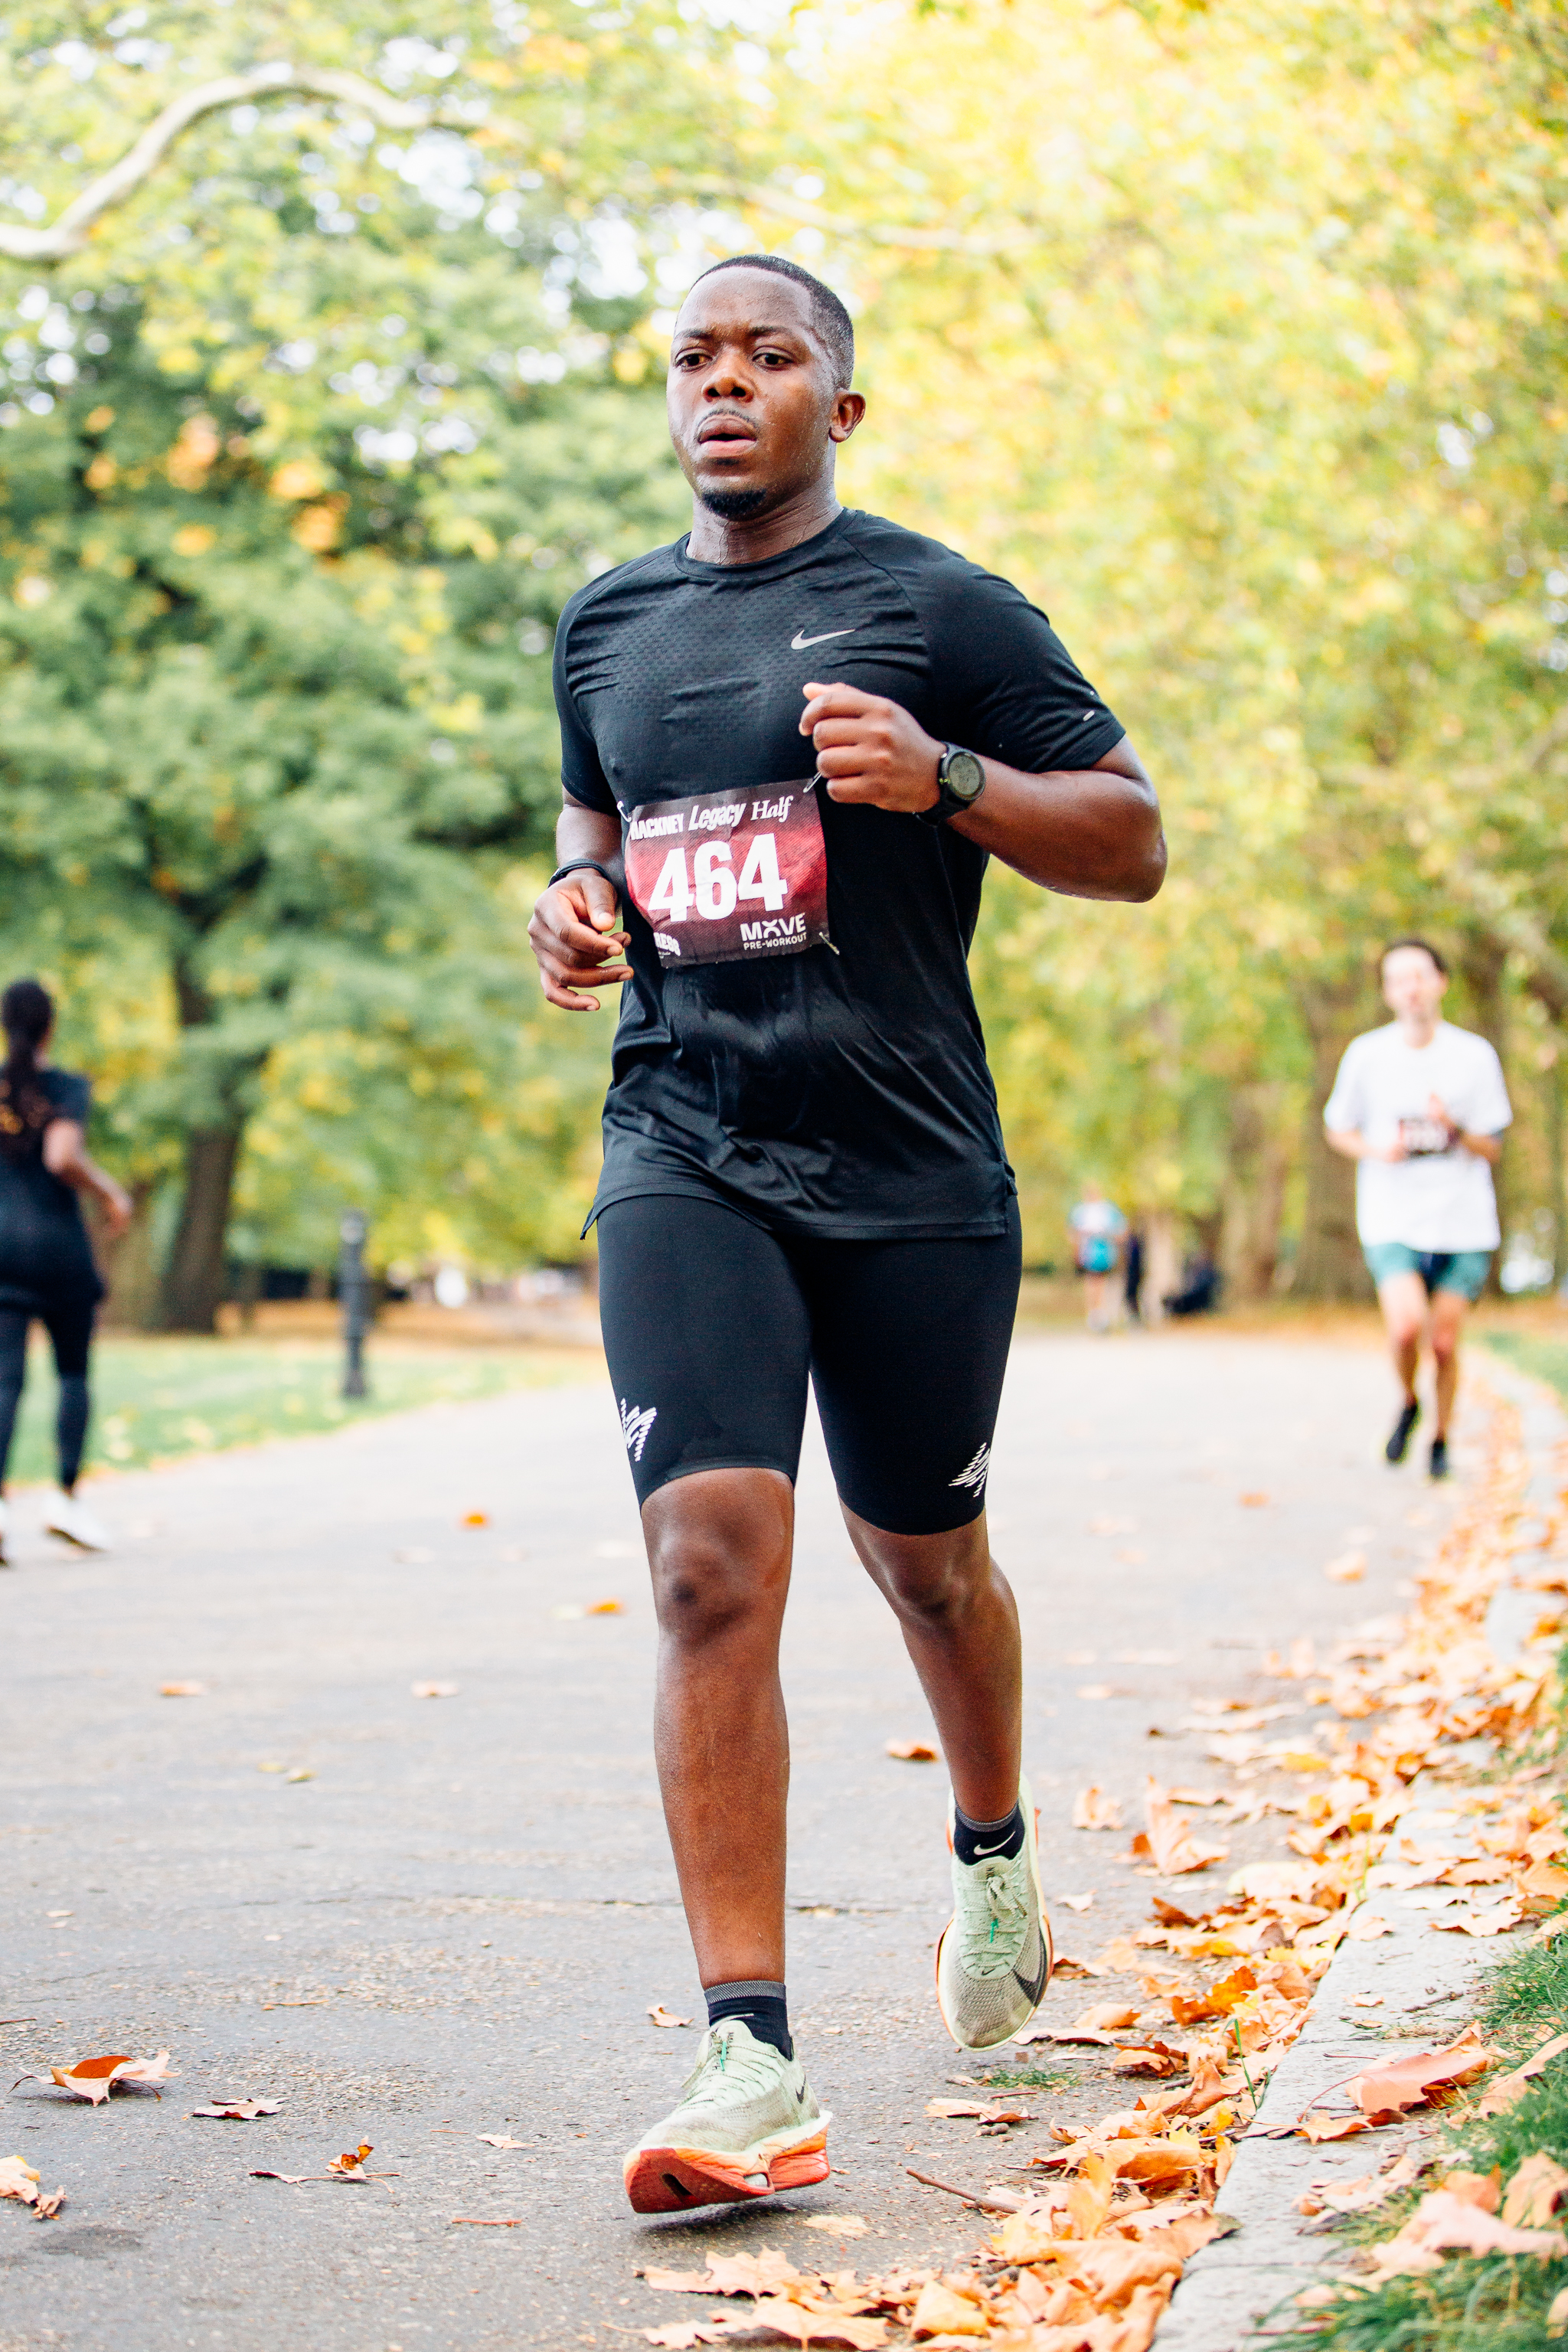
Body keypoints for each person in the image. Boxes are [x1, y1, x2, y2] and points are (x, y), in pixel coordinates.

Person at [527, 253, 1165, 2216]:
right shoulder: (604, 623)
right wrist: (570, 900)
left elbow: (1131, 835)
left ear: (840, 404)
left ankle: (993, 1848)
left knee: (927, 1565)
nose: (724, 382)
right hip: (682, 1138)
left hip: (907, 1169)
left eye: (769, 354)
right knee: (708, 1563)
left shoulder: (940, 606)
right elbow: (593, 814)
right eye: (693, 356)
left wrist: (948, 777)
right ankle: (748, 2058)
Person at [1324, 939, 1511, 1480]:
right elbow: (1338, 1128)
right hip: (1393, 1217)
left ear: (1441, 982)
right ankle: (1409, 1401)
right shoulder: (1367, 1054)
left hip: (1463, 1222)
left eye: (1421, 976)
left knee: (1445, 1343)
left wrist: (1454, 1128)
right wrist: (1375, 1150)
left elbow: (1493, 1147)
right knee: (1406, 1330)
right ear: (1387, 992)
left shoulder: (1474, 1056)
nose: (1412, 988)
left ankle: (1441, 1438)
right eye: (1399, 979)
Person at [0, 978, 131, 1563]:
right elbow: (61, 1156)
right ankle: (66, 1499)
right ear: (50, 1026)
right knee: (73, 1372)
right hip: (57, 1247)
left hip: (2, 1248)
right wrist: (110, 1192)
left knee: (4, 1381)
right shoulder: (65, 1087)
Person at [1067, 1184, 1126, 1331]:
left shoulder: (1107, 1210)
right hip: (1090, 1254)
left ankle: (1102, 1314)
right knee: (1093, 1282)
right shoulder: (1082, 1211)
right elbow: (1073, 1234)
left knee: (1103, 1284)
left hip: (1107, 1253)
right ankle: (1095, 1315)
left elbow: (1121, 1232)